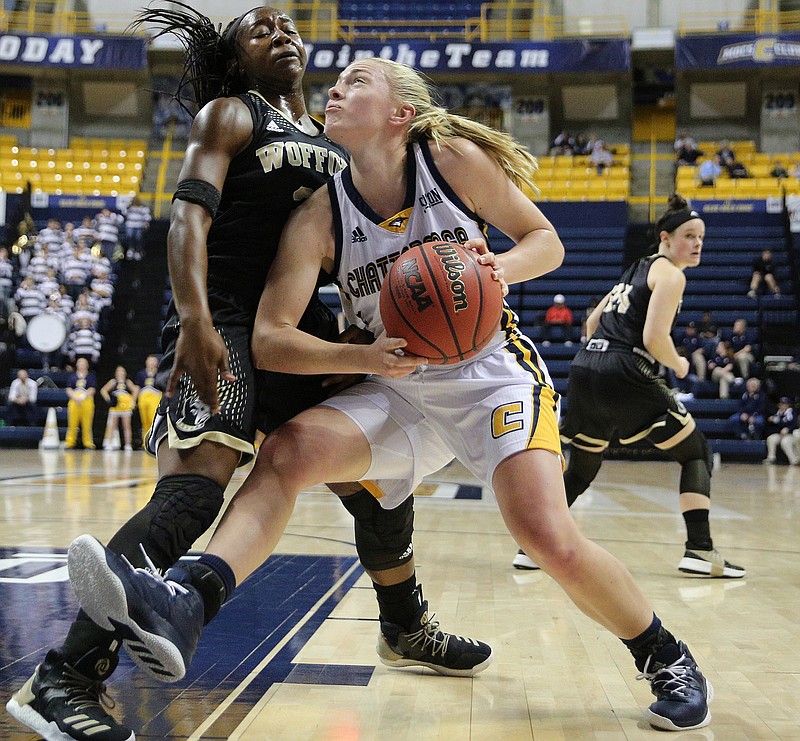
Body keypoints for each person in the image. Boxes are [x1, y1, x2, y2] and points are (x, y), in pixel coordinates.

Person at [67, 59, 713, 733]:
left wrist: (496, 269)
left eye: (356, 82)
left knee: (546, 535)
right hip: (399, 384)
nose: (336, 90)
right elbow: (269, 337)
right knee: (287, 452)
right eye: (336, 83)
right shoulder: (322, 211)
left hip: (491, 373)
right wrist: (362, 357)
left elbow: (544, 242)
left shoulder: (452, 159)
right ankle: (189, 604)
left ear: (400, 113)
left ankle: (666, 656)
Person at [5, 9, 489, 741]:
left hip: (296, 330)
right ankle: (61, 680)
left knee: (381, 475)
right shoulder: (230, 114)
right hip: (224, 318)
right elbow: (187, 223)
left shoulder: (331, 143)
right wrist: (196, 321)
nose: (283, 33)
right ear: (235, 56)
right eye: (260, 29)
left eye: (290, 25)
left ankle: (405, 623)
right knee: (193, 494)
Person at [514, 195, 745, 580]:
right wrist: (680, 363)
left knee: (583, 468)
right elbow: (655, 338)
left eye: (701, 237)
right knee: (696, 454)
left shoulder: (635, 270)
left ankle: (533, 548)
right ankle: (700, 550)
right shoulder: (671, 273)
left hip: (587, 366)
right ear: (666, 238)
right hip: (624, 367)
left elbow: (591, 324)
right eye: (689, 236)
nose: (697, 243)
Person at [100, 366, 138, 450]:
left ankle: (128, 444)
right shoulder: (113, 382)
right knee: (112, 425)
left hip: (125, 406)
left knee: (126, 426)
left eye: (122, 371)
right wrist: (109, 400)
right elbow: (103, 390)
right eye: (118, 371)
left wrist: (133, 401)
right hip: (116, 406)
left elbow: (135, 389)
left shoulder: (127, 382)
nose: (120, 373)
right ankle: (109, 443)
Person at [64, 356, 97, 450]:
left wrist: (83, 396)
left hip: (86, 400)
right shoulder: (73, 376)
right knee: (72, 423)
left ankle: (88, 443)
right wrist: (75, 397)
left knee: (87, 423)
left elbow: (92, 388)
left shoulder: (90, 376)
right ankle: (70, 442)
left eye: (83, 363)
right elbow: (69, 389)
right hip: (74, 401)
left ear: (87, 365)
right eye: (79, 363)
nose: (81, 365)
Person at [134, 354, 162, 446]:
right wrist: (133, 400)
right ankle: (145, 442)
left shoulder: (159, 373)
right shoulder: (141, 374)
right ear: (146, 362)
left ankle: (153, 441)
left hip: (154, 398)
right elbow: (137, 388)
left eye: (154, 361)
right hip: (143, 398)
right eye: (150, 361)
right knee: (144, 421)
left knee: (152, 419)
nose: (152, 363)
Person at [763, 396, 798, 465]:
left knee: (784, 442)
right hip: (780, 434)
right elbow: (774, 426)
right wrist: (771, 421)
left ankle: (794, 461)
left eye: (784, 404)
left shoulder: (792, 413)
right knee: (771, 439)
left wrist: (788, 429)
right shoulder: (777, 413)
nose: (782, 406)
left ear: (788, 405)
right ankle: (771, 458)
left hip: (790, 434)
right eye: (781, 404)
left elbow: (794, 425)